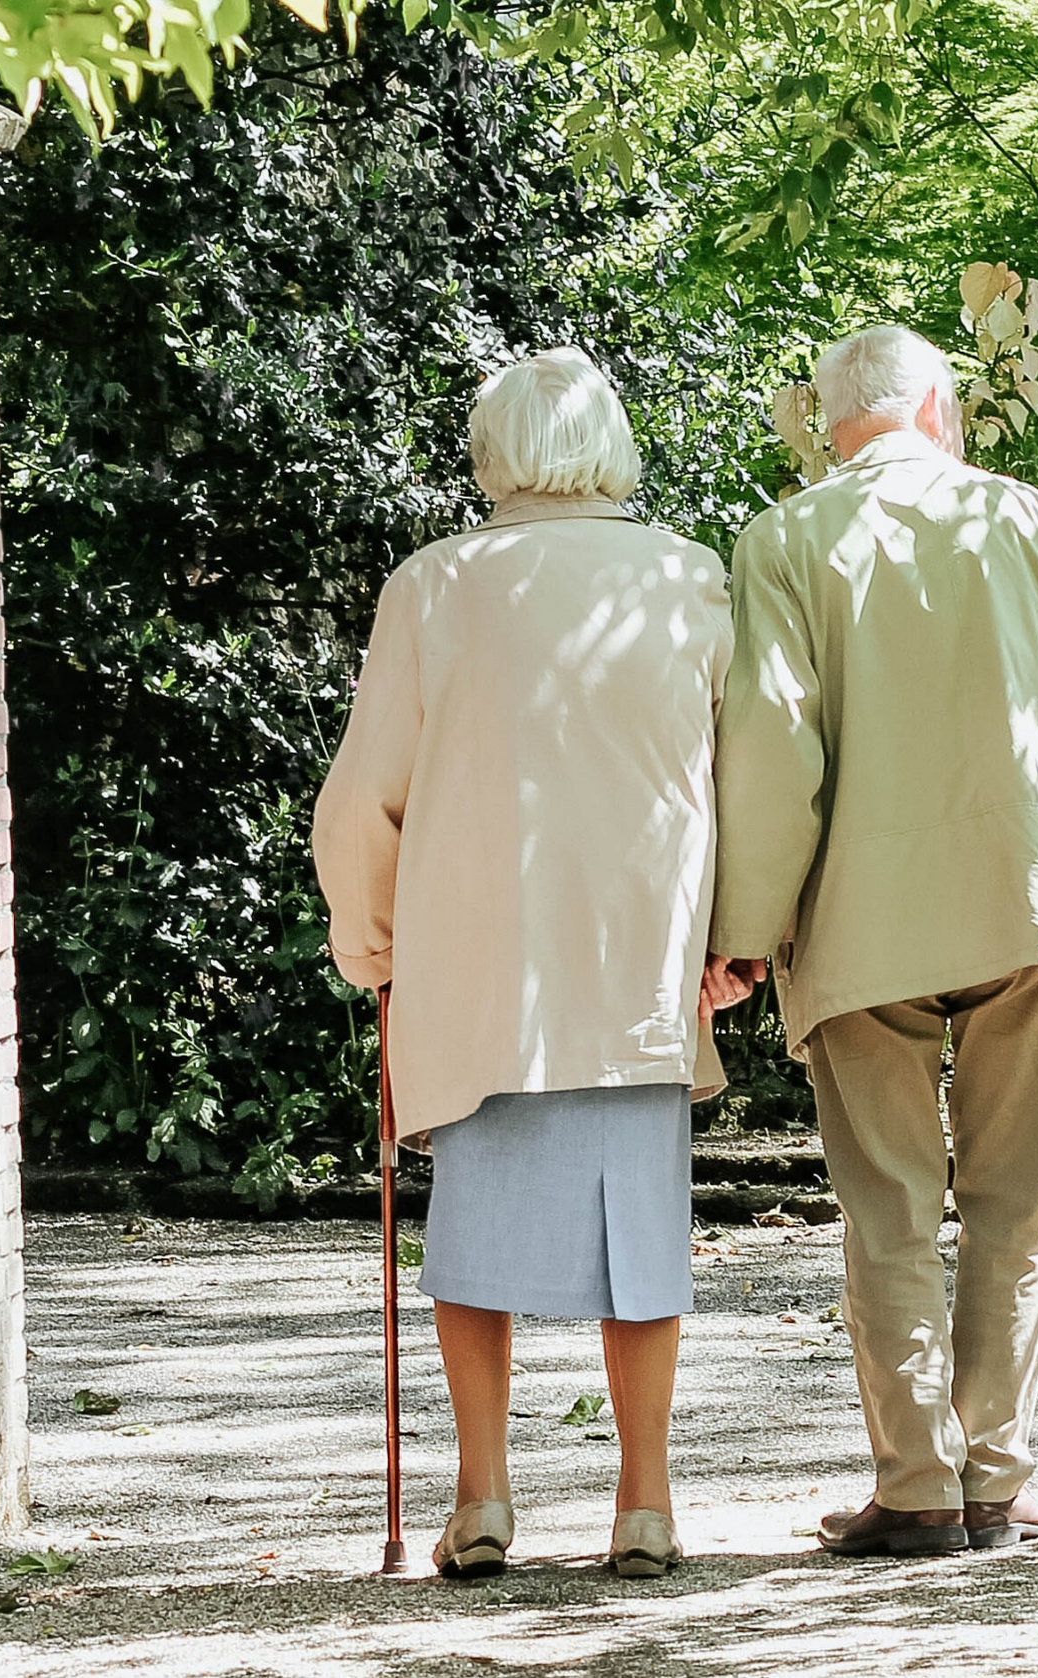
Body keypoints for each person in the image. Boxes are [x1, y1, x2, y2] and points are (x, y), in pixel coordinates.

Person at [707, 325, 1038, 1557]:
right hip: (1023, 901)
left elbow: (772, 746)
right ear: (938, 408)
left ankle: (917, 1488)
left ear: (829, 424)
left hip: (860, 919)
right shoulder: (1025, 518)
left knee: (890, 1210)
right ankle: (995, 1477)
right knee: (1013, 1205)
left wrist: (745, 931)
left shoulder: (784, 540)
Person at [312, 346, 746, 1582]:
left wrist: (374, 940)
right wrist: (735, 940)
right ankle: (646, 1502)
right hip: (636, 960)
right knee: (644, 1242)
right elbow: (741, 780)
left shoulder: (435, 588)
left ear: (491, 452)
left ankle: (484, 1496)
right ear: (611, 444)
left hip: (479, 963)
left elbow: (362, 803)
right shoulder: (687, 577)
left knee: (473, 1240)